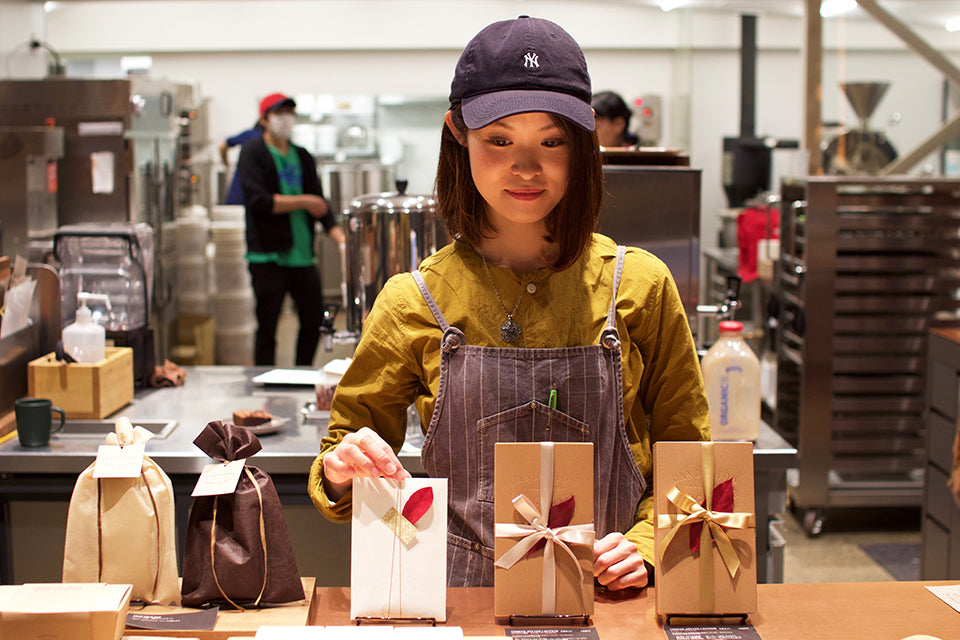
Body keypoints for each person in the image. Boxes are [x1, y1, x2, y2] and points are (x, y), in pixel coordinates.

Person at [308, 16, 708, 590]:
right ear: (457, 133)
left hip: (608, 602)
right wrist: (347, 469)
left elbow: (689, 454)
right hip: (462, 602)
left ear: (584, 142)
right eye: (499, 140)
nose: (526, 167)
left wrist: (645, 546)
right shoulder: (413, 301)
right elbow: (337, 461)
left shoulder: (640, 285)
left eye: (551, 141)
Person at [238, 92, 346, 366]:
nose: (286, 119)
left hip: (302, 255)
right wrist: (304, 201)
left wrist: (340, 238)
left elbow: (320, 204)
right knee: (268, 325)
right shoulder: (253, 152)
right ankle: (263, 377)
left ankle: (302, 372)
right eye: (279, 113)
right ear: (264, 119)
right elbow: (258, 202)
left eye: (289, 113)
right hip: (267, 255)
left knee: (313, 319)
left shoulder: (302, 156)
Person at [219, 120, 263, 205]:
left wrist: (226, 164)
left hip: (240, 190)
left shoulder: (248, 134)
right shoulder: (270, 140)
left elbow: (222, 146)